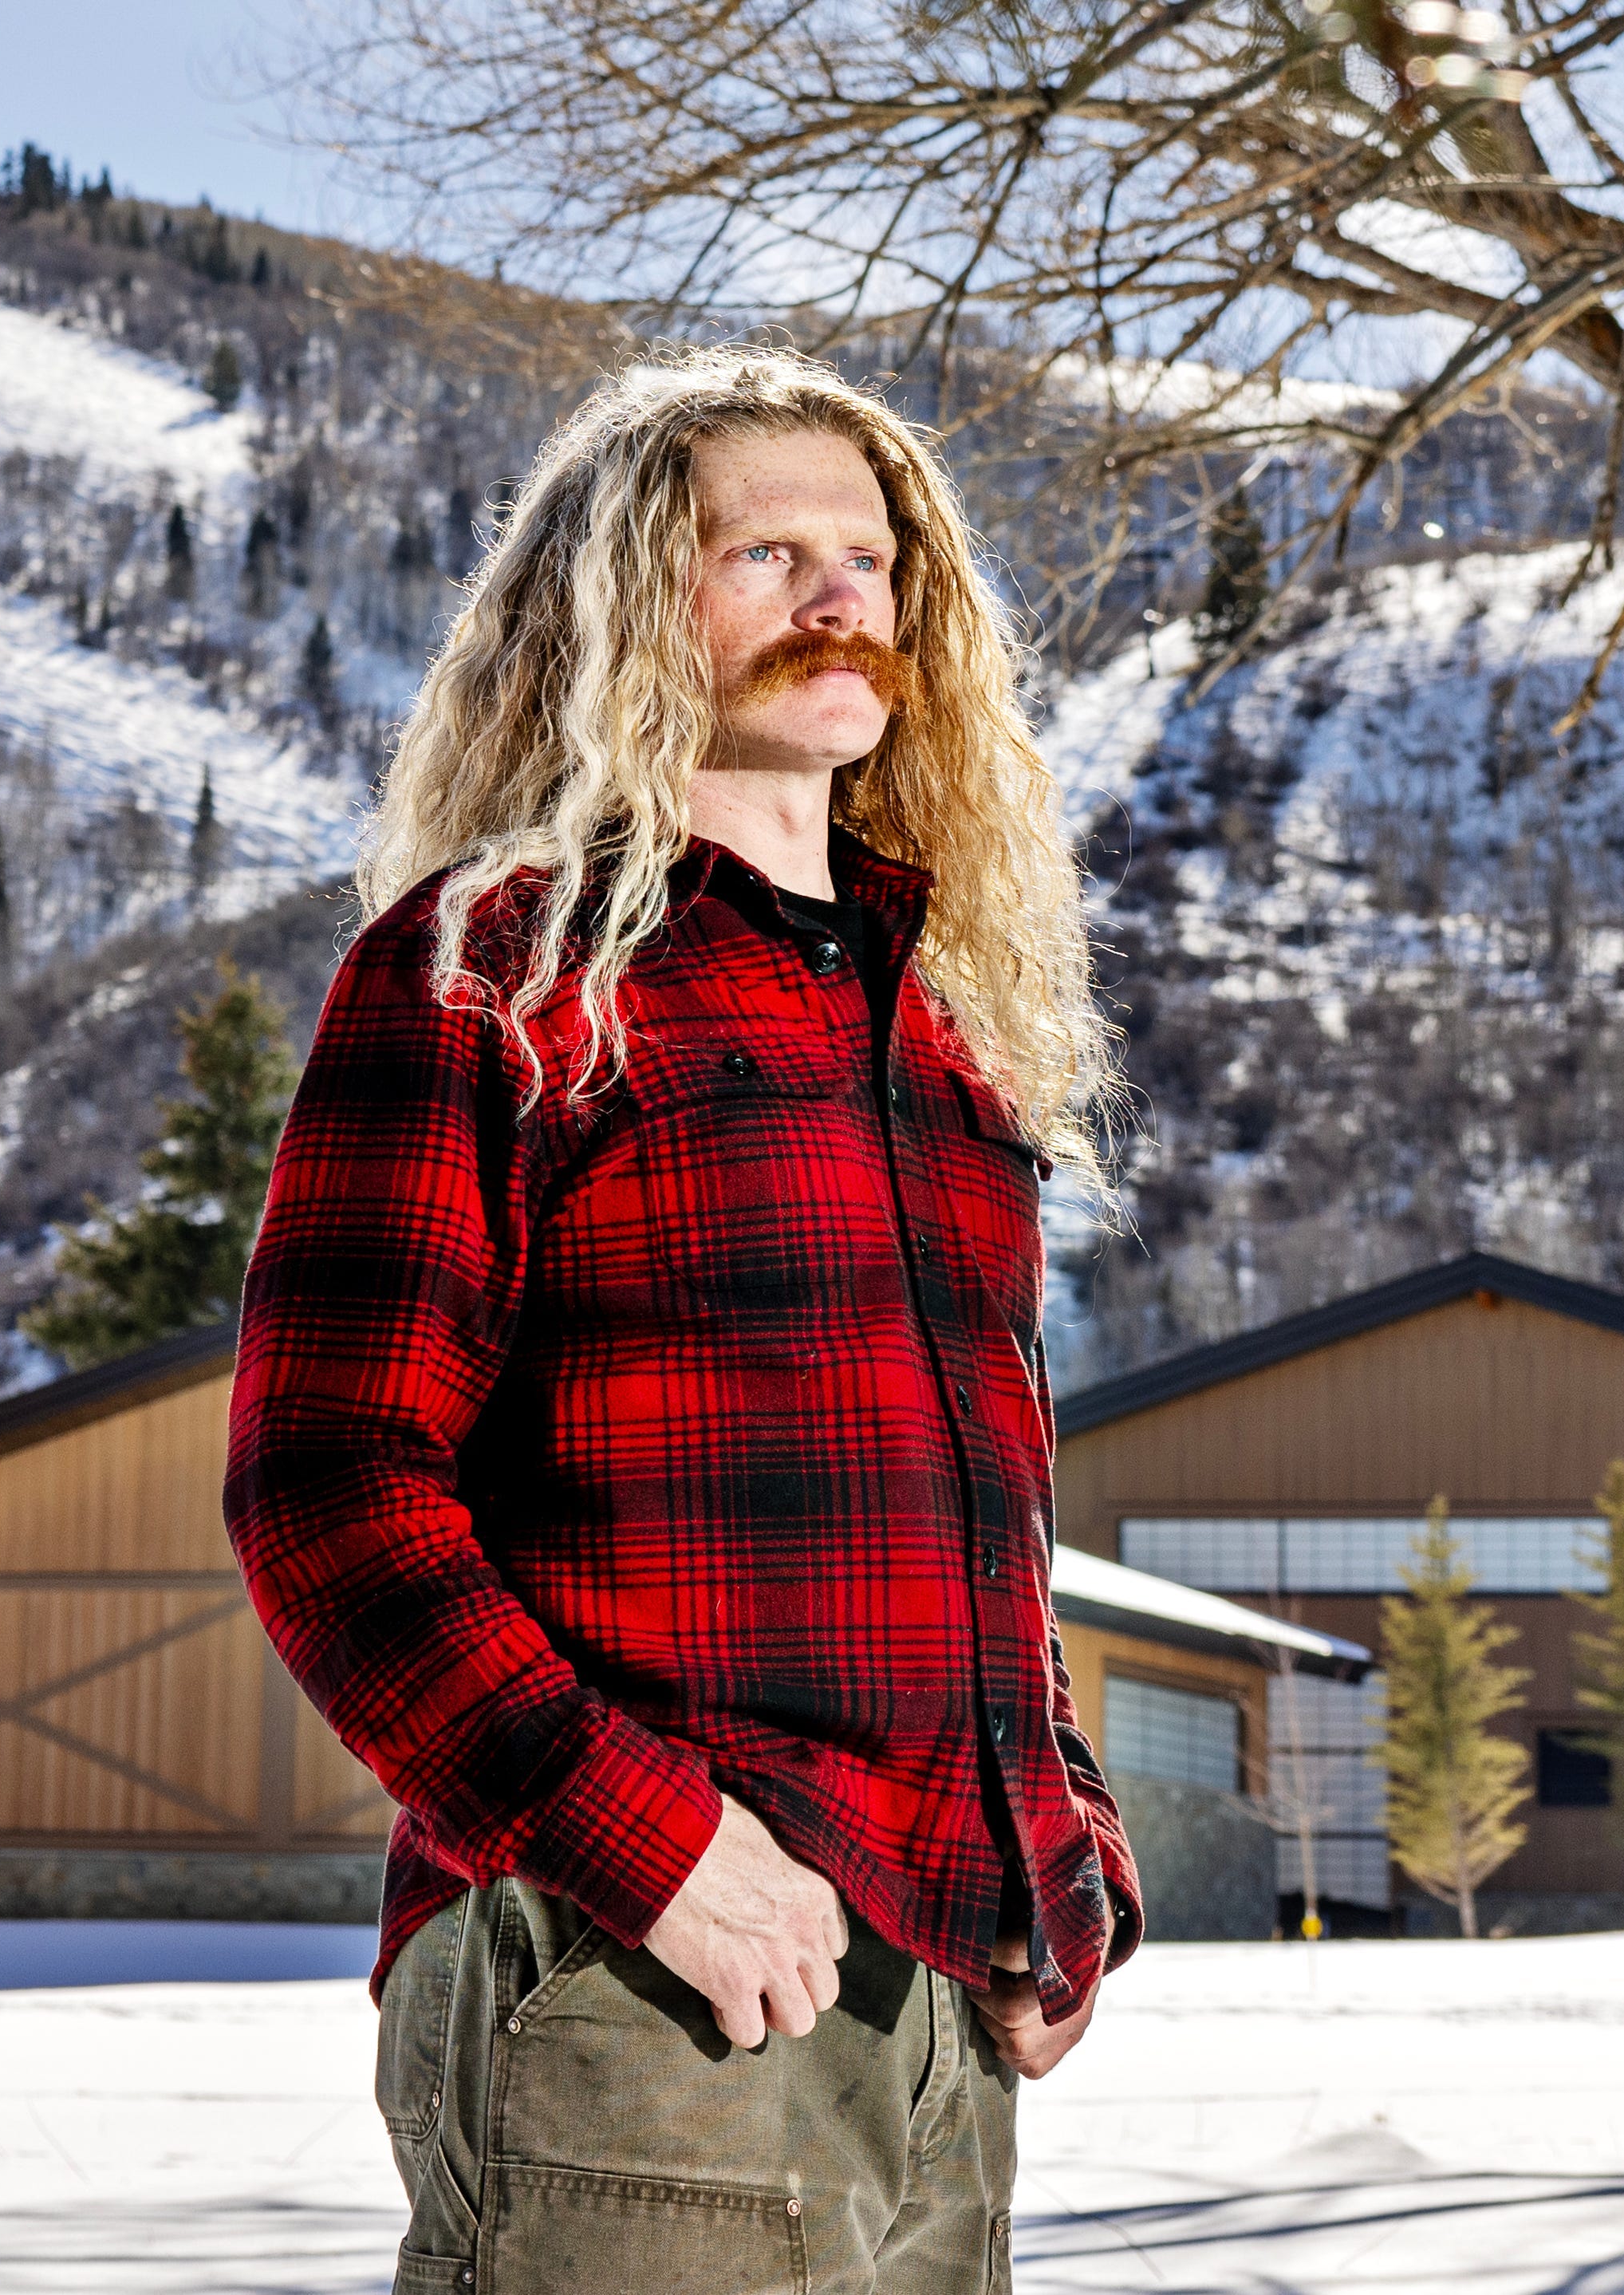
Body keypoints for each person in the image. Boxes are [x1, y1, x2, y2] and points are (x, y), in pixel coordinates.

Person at [224, 344, 1134, 2294]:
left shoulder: (948, 1039)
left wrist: (1068, 1853)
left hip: (938, 2022)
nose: (837, 600)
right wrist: (655, 1845)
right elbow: (329, 1489)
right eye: (763, 553)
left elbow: (982, 1536)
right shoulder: (497, 968)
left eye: (869, 556)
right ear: (625, 606)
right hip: (643, 1980)